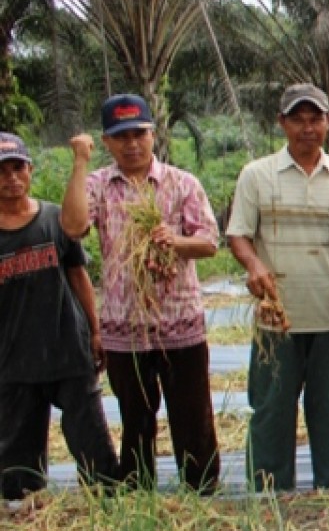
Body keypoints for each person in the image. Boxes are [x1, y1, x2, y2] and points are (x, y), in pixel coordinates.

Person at [62, 96, 221, 493]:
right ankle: (139, 491)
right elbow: (73, 226)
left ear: (153, 134)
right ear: (107, 142)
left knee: (192, 415)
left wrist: (175, 243)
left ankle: (201, 488)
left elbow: (208, 243)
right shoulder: (99, 184)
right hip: (124, 325)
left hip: (179, 321)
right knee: (135, 416)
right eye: (121, 138)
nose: (132, 144)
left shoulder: (182, 183)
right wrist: (79, 163)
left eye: (139, 134)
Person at [226, 84, 329, 491]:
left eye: (315, 119)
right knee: (271, 409)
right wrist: (253, 265)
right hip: (276, 318)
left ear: (328, 123)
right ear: (281, 123)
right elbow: (238, 235)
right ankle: (270, 493)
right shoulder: (257, 175)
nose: (307, 128)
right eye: (297, 119)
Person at [0, 133, 119, 504]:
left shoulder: (55, 219)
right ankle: (24, 506)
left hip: (67, 347)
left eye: (17, 167)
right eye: (1, 171)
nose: (11, 178)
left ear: (30, 170)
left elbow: (78, 276)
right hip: (13, 357)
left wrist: (96, 330)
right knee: (17, 451)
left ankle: (106, 499)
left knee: (90, 435)